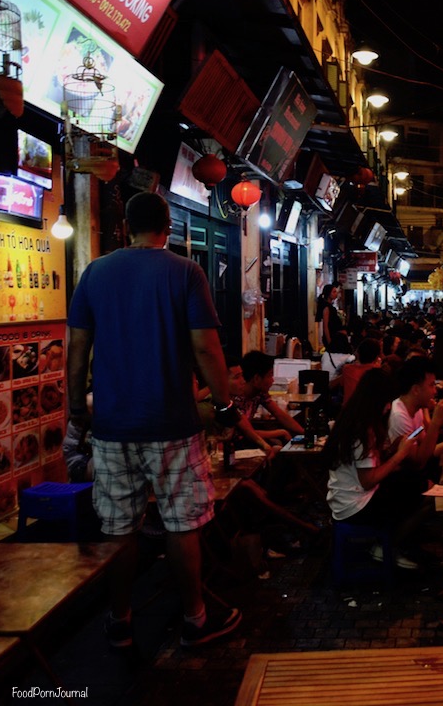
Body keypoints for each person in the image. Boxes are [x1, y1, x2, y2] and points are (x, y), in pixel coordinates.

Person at [67, 192, 243, 648]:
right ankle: (194, 618)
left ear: (126, 226)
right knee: (182, 523)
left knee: (118, 527)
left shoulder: (95, 273)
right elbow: (206, 348)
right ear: (167, 226)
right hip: (172, 425)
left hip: (110, 427)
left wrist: (75, 412)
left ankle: (120, 619)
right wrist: (224, 404)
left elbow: (77, 350)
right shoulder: (185, 271)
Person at [324, 368, 424, 569]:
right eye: (386, 401)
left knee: (415, 481)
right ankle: (386, 546)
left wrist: (392, 451)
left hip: (346, 498)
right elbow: (368, 479)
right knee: (424, 493)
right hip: (355, 506)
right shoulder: (361, 430)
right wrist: (399, 455)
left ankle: (392, 545)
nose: (388, 407)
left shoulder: (352, 419)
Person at [387, 356, 443, 475]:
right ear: (416, 390)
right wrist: (435, 422)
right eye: (431, 385)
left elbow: (427, 448)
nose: (435, 391)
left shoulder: (417, 408)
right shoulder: (399, 416)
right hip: (401, 479)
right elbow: (418, 462)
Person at [230, 350, 305, 453]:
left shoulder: (260, 393)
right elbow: (246, 432)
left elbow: (280, 415)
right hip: (235, 446)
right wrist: (280, 432)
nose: (272, 380)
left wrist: (305, 433)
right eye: (270, 375)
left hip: (249, 441)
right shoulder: (236, 398)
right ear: (256, 378)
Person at [334, 338, 382, 405]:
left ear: (358, 353)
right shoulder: (379, 371)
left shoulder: (347, 369)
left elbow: (340, 387)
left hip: (347, 412)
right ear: (377, 357)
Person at [316, 282, 348, 353]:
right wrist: (329, 341)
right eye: (334, 292)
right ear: (328, 293)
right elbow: (326, 326)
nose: (336, 294)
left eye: (336, 292)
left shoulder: (330, 306)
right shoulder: (326, 307)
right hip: (332, 338)